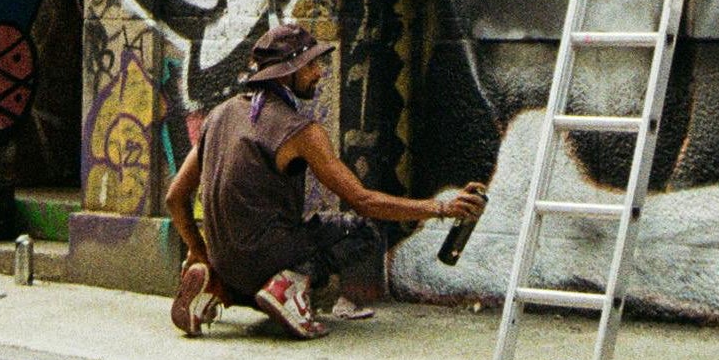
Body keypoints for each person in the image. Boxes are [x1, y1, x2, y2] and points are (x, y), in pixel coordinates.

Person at [167, 20, 486, 339]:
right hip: (265, 259)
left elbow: (174, 197)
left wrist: (198, 249)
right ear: (287, 73)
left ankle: (215, 285)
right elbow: (363, 201)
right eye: (310, 65)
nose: (319, 72)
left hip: (225, 261)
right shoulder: (301, 131)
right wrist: (442, 208)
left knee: (258, 273)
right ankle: (288, 284)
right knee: (359, 232)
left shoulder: (219, 116)